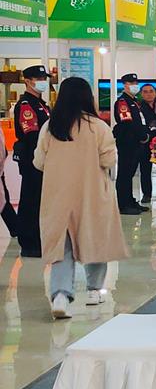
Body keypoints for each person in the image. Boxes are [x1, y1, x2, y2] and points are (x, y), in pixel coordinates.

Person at [33, 77, 128, 318]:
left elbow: (39, 162)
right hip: (92, 193)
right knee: (95, 238)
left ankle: (60, 295)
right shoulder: (98, 127)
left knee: (61, 245)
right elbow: (109, 159)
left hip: (58, 195)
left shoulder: (50, 127)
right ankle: (94, 290)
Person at [11, 65, 50, 256]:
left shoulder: (41, 104)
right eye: (38, 78)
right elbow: (32, 135)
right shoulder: (26, 105)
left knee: (39, 199)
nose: (43, 82)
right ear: (27, 81)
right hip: (32, 159)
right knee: (30, 199)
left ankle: (37, 238)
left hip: (42, 158)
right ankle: (29, 242)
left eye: (44, 78)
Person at [111, 74, 149, 215]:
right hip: (127, 142)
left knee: (130, 173)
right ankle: (123, 204)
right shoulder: (123, 102)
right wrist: (142, 136)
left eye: (135, 82)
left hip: (135, 143)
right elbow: (128, 123)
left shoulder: (133, 101)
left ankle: (130, 200)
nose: (134, 85)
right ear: (125, 85)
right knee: (124, 174)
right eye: (131, 83)